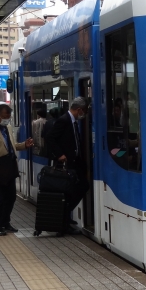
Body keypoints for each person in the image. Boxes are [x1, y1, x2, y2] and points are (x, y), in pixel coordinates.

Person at [46, 97, 89, 227]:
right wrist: (60, 154)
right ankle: (64, 218)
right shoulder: (64, 120)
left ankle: (66, 215)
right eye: (84, 111)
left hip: (75, 161)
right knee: (75, 189)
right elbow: (50, 138)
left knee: (81, 186)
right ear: (79, 109)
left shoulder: (72, 121)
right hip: (68, 163)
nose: (84, 115)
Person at [0, 104, 34, 236]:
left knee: (11, 197)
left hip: (10, 166)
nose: (7, 119)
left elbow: (11, 146)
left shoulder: (8, 128)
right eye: (5, 117)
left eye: (9, 117)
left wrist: (24, 145)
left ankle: (5, 222)